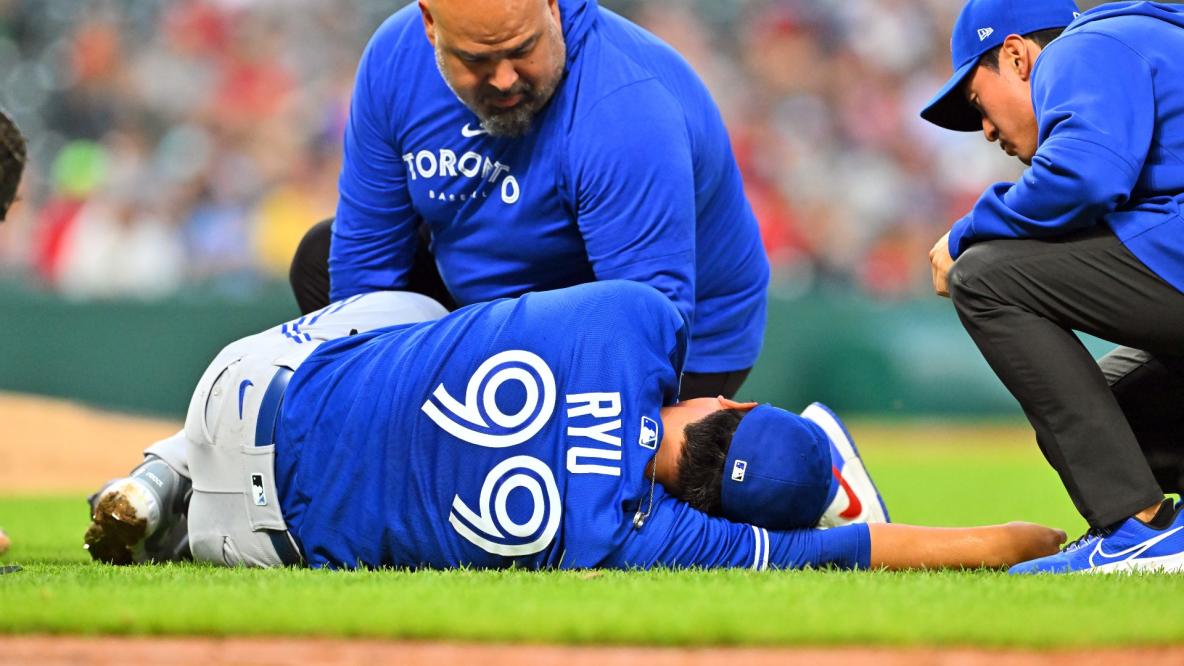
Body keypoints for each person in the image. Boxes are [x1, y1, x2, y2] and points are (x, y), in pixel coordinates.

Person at [84, 281, 1064, 571]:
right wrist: (1046, 547)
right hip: (251, 541)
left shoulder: (635, 320)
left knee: (417, 315)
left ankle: (157, 468)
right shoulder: (650, 539)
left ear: (734, 403)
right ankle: (168, 507)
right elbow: (928, 546)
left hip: (244, 387)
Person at [287, 0, 770, 400]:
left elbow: (651, 336)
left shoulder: (623, 107)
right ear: (430, 25)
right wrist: (364, 413)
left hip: (669, 342)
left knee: (581, 497)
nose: (503, 79)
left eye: (522, 50)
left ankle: (753, 463)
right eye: (476, 60)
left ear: (553, 9)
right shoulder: (394, 60)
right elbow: (364, 266)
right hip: (491, 313)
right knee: (319, 261)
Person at [921, 0, 1184, 573]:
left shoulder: (1080, 48)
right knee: (1112, 416)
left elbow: (1082, 177)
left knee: (985, 275)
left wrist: (965, 233)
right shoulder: (1143, 45)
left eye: (977, 103)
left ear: (1016, 56)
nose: (987, 130)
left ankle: (1140, 533)